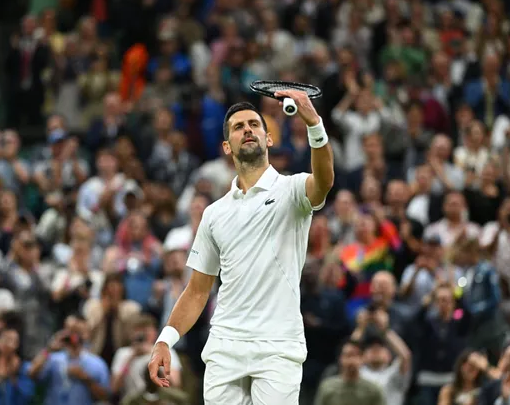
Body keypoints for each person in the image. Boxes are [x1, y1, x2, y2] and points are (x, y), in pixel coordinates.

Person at [148, 90, 335, 404]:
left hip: (278, 349)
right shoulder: (214, 213)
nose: (248, 129)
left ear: (268, 138)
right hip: (225, 349)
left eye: (254, 124)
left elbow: (325, 181)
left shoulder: (292, 190)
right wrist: (164, 341)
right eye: (238, 127)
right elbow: (196, 290)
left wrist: (314, 124)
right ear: (226, 146)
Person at [313, 339, 385, 405]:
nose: (352, 360)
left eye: (357, 355)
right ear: (340, 358)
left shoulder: (373, 390)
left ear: (363, 359)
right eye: (348, 355)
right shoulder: (327, 387)